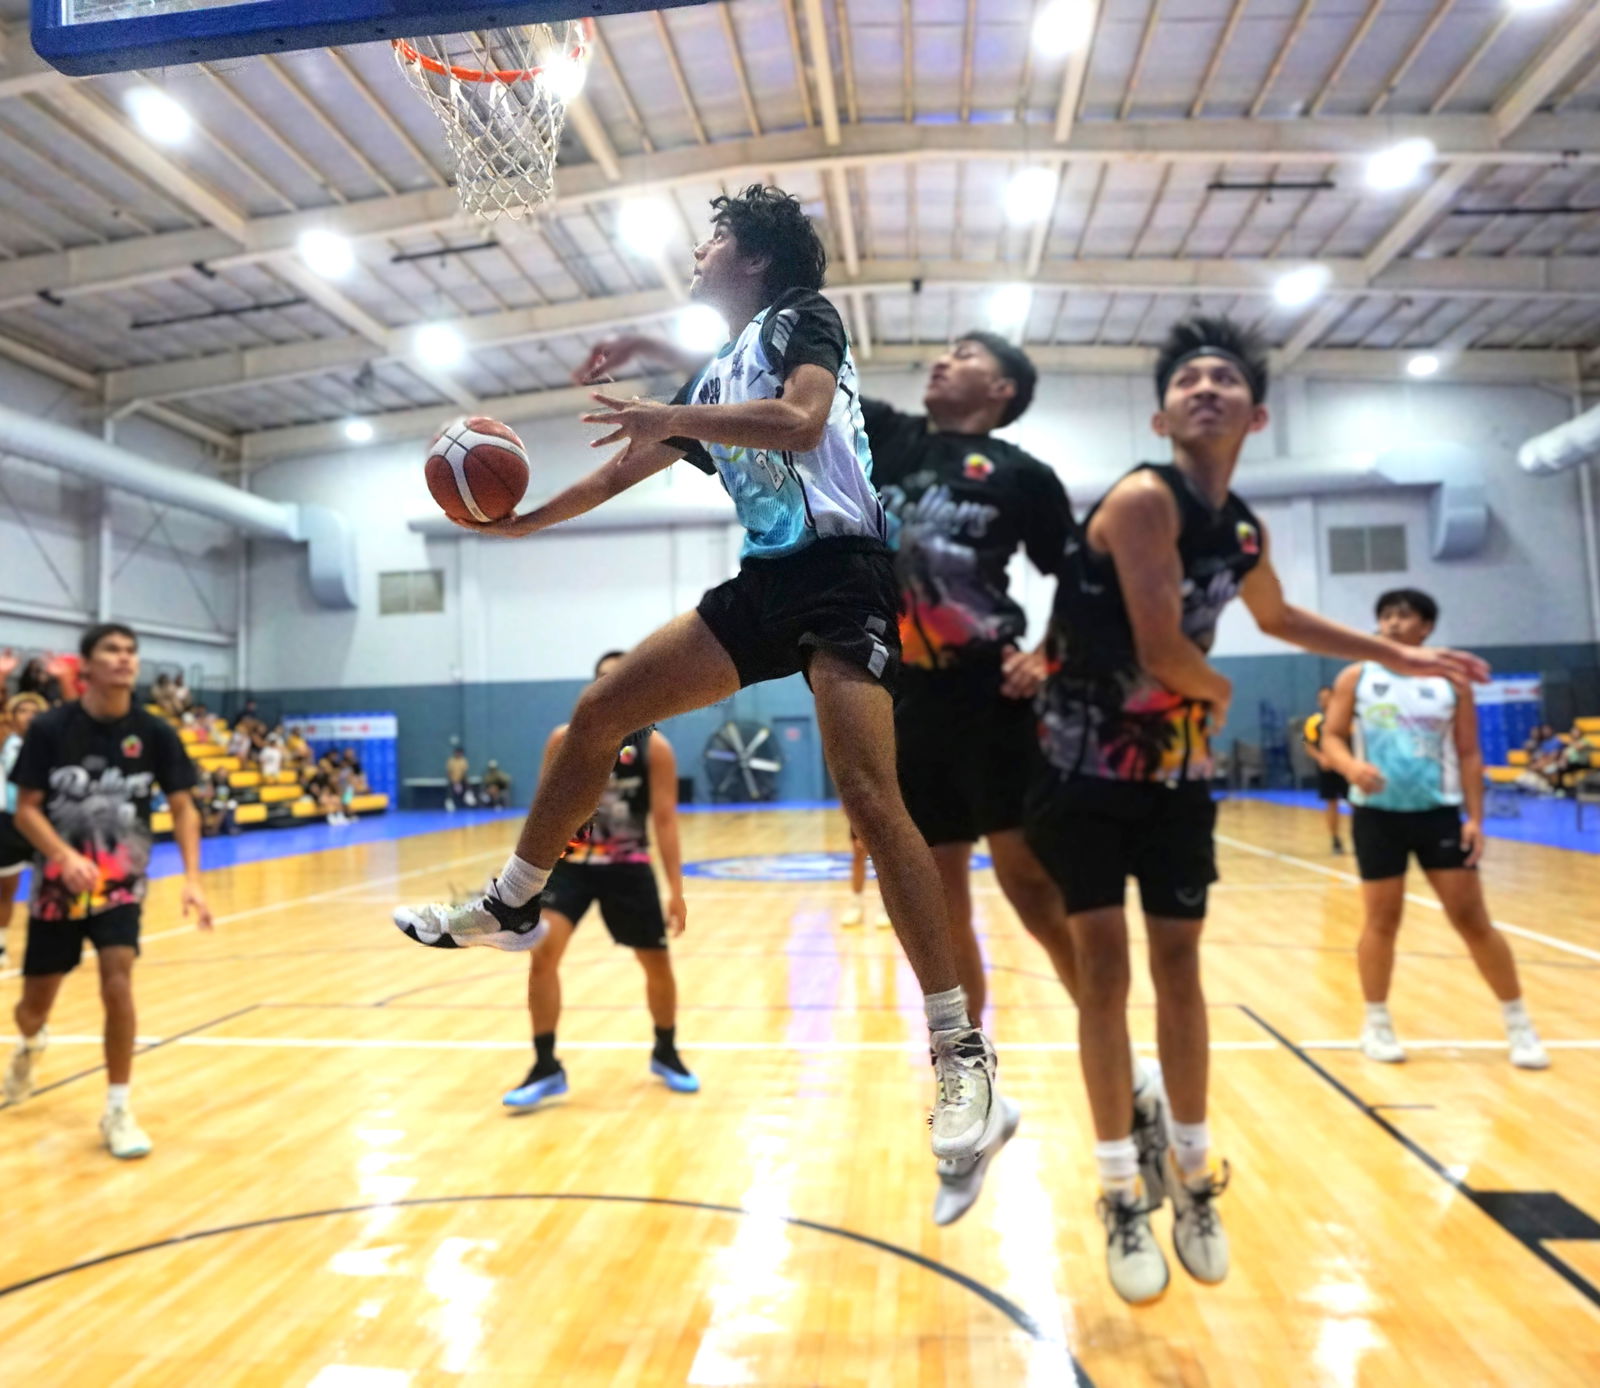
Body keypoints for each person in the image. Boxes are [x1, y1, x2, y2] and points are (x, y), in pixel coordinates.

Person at [393, 184, 1000, 1164]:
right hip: (766, 584)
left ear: (755, 257)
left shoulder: (806, 319)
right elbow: (614, 472)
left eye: (713, 237)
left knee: (870, 799)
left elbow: (802, 422)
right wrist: (517, 520)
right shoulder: (717, 378)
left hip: (843, 573)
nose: (697, 252)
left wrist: (669, 401)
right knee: (597, 715)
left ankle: (960, 1047)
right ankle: (512, 899)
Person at [1026, 314, 1490, 1306]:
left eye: (1223, 376)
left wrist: (1396, 652)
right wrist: (1224, 697)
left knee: (1182, 967)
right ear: (1161, 413)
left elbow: (1275, 615)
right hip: (1081, 769)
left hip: (1176, 781)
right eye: (1187, 375)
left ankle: (1191, 1175)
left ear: (1255, 413)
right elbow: (1162, 650)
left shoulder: (1240, 526)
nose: (1204, 384)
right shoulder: (1145, 499)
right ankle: (1117, 1186)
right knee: (1104, 972)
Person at [3, 623, 214, 1158]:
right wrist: (63, 855)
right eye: (111, 650)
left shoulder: (155, 732)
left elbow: (184, 805)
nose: (124, 659)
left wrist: (193, 878)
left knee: (117, 982)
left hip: (121, 884)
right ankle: (31, 1042)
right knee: (32, 1007)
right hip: (57, 886)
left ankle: (118, 1108)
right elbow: (26, 809)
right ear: (88, 665)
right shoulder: (50, 729)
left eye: (130, 651)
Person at [1318, 588, 1549, 1072]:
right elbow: (1331, 736)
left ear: (1426, 628)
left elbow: (1468, 753)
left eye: (1404, 616)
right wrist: (1350, 767)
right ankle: (1376, 1023)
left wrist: (1476, 819)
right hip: (1377, 815)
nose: (1393, 624)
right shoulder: (1357, 676)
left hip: (1438, 814)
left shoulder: (1451, 682)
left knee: (1471, 918)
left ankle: (1519, 1024)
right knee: (1382, 921)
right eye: (1385, 616)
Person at [504, 650, 695, 1111]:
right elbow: (543, 813)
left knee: (657, 965)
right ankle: (546, 1065)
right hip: (570, 867)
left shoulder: (655, 749)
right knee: (543, 955)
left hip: (628, 869)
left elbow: (666, 822)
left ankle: (666, 1052)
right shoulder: (564, 741)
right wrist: (524, 881)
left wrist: (676, 891)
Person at [0, 693, 49, 970]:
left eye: (35, 711)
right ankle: (0, 945)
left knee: (50, 887)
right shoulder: (6, 740)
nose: (29, 715)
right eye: (23, 710)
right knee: (5, 889)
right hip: (8, 821)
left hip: (43, 822)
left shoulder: (52, 743)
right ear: (12, 715)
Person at [1302, 685, 1348, 853]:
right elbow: (1306, 744)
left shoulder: (1348, 718)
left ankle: (1360, 837)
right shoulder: (1314, 721)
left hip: (1346, 768)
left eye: (1328, 697)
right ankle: (1335, 839)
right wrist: (1321, 757)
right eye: (1322, 698)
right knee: (1331, 802)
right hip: (1327, 769)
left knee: (1357, 803)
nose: (1325, 701)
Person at [445, 743, 470, 810]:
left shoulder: (463, 761)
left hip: (461, 780)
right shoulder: (451, 761)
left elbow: (464, 773)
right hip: (453, 781)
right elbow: (449, 772)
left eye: (460, 753)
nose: (458, 754)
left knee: (467, 784)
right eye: (457, 752)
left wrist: (461, 781)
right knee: (449, 788)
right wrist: (454, 782)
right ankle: (449, 802)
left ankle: (468, 797)